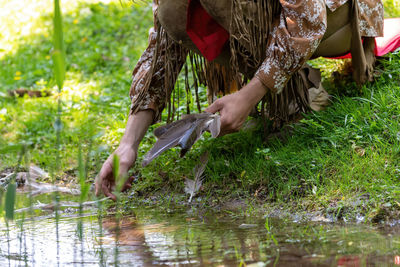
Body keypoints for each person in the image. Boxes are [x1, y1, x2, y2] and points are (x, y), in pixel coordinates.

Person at [95, 0, 383, 200]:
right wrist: (127, 144)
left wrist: (249, 95)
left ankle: (291, 92)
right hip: (288, 19)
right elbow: (161, 52)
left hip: (339, 19)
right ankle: (283, 82)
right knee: (173, 11)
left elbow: (310, 20)